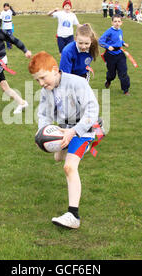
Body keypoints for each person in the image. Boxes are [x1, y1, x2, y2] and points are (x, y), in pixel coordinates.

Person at [28, 51, 100, 229]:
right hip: (63, 129)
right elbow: (44, 114)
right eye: (37, 80)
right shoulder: (47, 90)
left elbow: (92, 110)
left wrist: (74, 131)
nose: (41, 83)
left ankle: (73, 216)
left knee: (69, 167)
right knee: (58, 158)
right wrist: (42, 133)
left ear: (54, 70)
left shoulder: (78, 83)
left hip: (84, 129)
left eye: (43, 78)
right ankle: (66, 148)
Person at [99, 15, 131, 95]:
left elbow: (119, 40)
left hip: (120, 54)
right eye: (115, 21)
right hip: (110, 55)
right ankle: (108, 80)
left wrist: (123, 43)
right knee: (112, 74)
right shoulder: (109, 31)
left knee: (123, 72)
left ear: (121, 23)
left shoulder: (120, 31)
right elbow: (100, 41)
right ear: (112, 22)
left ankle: (126, 90)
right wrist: (107, 46)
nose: (117, 23)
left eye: (119, 21)